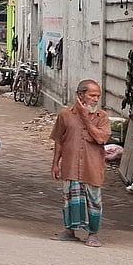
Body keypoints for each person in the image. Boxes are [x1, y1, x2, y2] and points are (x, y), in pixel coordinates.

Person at [51, 79, 112, 247]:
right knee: (69, 199)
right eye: (92, 95)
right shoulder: (65, 115)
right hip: (70, 166)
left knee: (94, 201)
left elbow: (101, 138)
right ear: (80, 95)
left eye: (98, 96)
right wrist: (55, 163)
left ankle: (93, 234)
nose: (95, 99)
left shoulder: (102, 117)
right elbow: (59, 140)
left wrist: (86, 119)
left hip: (92, 167)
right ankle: (69, 231)